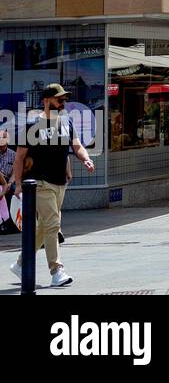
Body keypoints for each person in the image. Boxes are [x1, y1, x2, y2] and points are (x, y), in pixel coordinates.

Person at [9, 84, 95, 287]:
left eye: (64, 100)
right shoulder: (32, 125)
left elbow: (77, 146)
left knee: (45, 227)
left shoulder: (67, 122)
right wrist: (19, 185)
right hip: (39, 183)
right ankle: (56, 271)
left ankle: (21, 264)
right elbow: (20, 157)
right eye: (59, 99)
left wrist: (86, 159)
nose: (62, 103)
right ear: (46, 101)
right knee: (53, 224)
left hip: (60, 183)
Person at [0, 129, 17, 233]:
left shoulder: (13, 154)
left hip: (8, 179)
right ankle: (2, 222)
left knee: (14, 193)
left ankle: (12, 223)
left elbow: (15, 172)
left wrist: (10, 183)